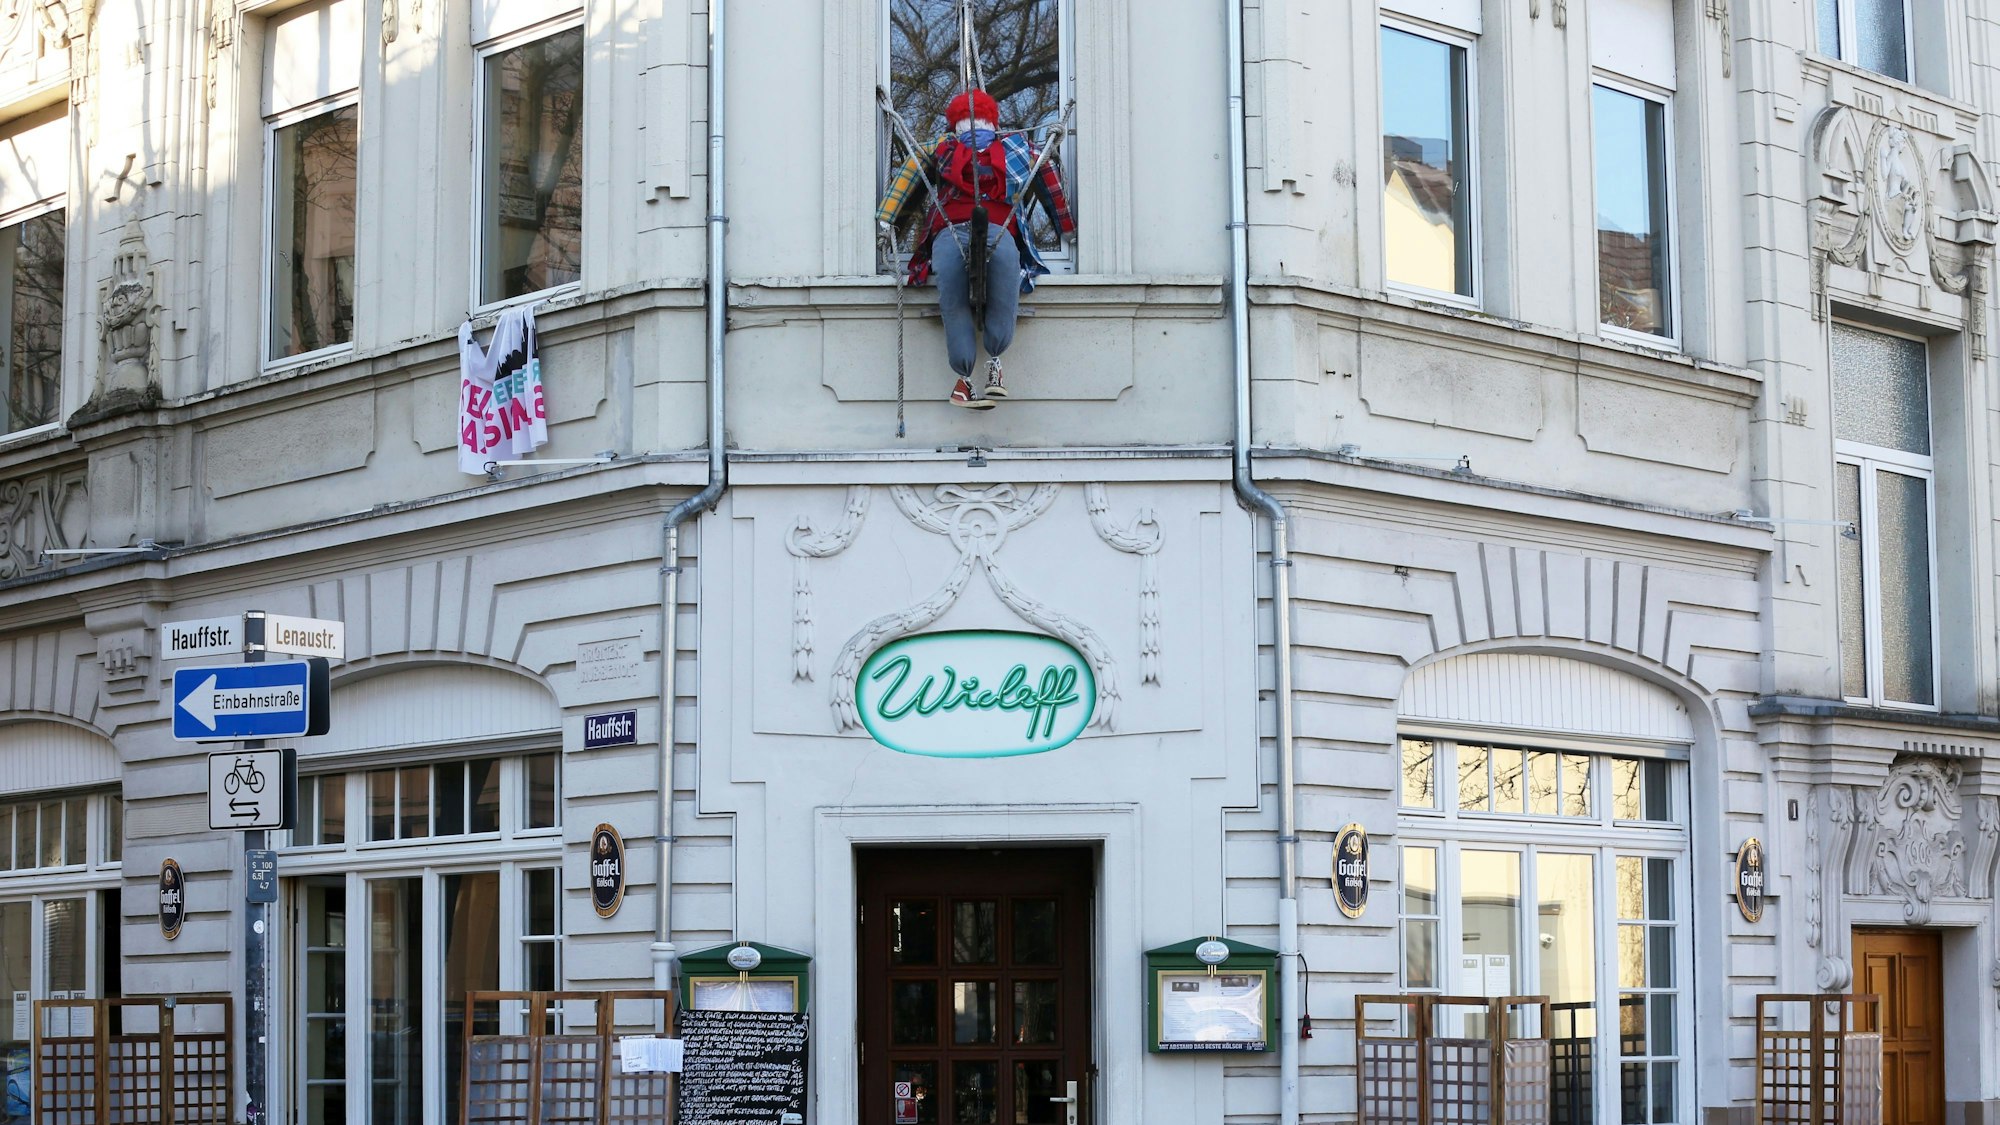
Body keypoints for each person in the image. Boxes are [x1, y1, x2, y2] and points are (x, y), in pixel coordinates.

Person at [878, 90, 1075, 409]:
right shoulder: (942, 149)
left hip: (1000, 228)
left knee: (1005, 275)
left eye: (980, 121)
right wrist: (887, 219)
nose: (973, 128)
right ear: (955, 126)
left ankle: (995, 361)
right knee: (951, 291)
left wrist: (1066, 226)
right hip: (949, 229)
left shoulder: (1015, 147)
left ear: (992, 122)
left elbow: (1046, 174)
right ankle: (964, 377)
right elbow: (909, 173)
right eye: (966, 123)